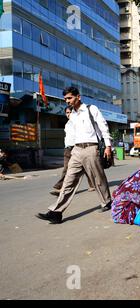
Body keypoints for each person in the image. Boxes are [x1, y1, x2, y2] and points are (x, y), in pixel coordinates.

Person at [37, 87, 113, 224]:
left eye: (69, 98)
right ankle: (56, 212)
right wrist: (70, 150)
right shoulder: (72, 115)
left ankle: (107, 202)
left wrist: (108, 146)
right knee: (68, 181)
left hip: (91, 148)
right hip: (76, 150)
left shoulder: (91, 109)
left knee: (97, 178)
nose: (67, 101)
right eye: (65, 99)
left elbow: (103, 127)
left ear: (78, 97)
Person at [50, 106, 95, 196]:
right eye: (67, 113)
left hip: (77, 148)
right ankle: (60, 187)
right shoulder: (67, 124)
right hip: (68, 149)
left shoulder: (79, 122)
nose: (68, 114)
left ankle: (93, 184)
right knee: (66, 168)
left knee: (86, 168)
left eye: (70, 112)